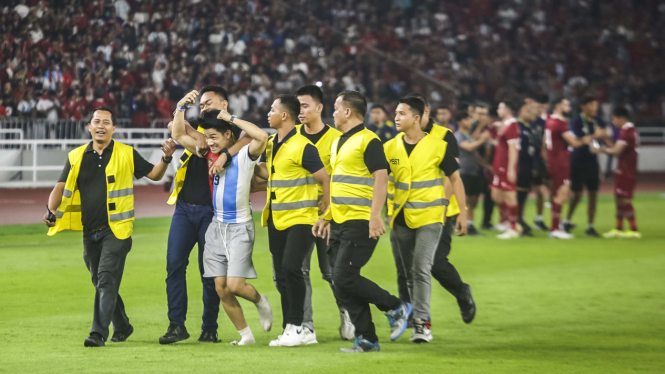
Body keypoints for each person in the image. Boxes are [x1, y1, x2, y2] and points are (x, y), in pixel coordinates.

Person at [44, 107, 176, 347]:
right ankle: (123, 326)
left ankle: (98, 334)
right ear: (89, 127)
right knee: (101, 281)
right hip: (89, 232)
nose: (101, 125)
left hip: (117, 230)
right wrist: (51, 209)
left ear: (114, 128)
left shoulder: (126, 153)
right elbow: (61, 185)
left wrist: (166, 159)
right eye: (97, 121)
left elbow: (155, 175)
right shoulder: (76, 156)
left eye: (106, 122)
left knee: (105, 280)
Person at [312, 90, 410, 353]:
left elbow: (381, 178)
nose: (332, 112)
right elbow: (339, 183)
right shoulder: (338, 142)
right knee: (341, 281)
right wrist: (327, 215)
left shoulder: (370, 140)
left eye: (335, 107)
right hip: (340, 222)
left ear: (347, 112)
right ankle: (367, 339)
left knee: (343, 277)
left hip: (362, 220)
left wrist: (376, 216)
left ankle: (396, 306)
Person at [172, 96, 274, 345]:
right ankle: (245, 336)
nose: (209, 142)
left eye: (214, 137)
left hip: (240, 226)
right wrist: (180, 108)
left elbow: (260, 136)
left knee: (236, 285)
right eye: (207, 137)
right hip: (216, 227)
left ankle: (261, 302)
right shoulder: (207, 153)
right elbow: (177, 134)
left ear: (228, 135)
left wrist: (230, 118)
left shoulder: (245, 156)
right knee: (221, 287)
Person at [161, 85, 247, 345]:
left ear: (225, 105)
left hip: (214, 213)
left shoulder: (234, 136)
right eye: (202, 104)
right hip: (185, 209)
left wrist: (225, 154)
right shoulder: (202, 136)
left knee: (209, 274)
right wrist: (181, 109)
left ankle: (210, 328)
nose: (204, 106)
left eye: (209, 102)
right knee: (174, 266)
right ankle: (177, 326)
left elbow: (251, 138)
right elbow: (174, 129)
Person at [385, 96, 467, 343]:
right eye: (396, 113)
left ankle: (422, 323)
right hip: (401, 219)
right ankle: (417, 321)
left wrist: (462, 212)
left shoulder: (438, 145)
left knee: (421, 268)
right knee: (409, 273)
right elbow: (385, 183)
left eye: (402, 113)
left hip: (431, 218)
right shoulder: (389, 147)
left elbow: (455, 179)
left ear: (417, 118)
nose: (396, 117)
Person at [255, 95, 331, 347]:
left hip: (302, 218)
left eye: (272, 109)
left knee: (291, 268)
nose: (268, 113)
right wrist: (249, 166)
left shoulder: (304, 146)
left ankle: (300, 327)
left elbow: (324, 178)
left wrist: (326, 207)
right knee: (282, 275)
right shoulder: (271, 143)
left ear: (284, 115)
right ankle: (291, 327)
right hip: (276, 218)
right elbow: (269, 172)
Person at [294, 85, 354, 341]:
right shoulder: (291, 136)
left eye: (305, 105)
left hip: (330, 217)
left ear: (320, 108)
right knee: (301, 271)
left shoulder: (337, 139)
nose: (300, 111)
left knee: (332, 272)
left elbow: (339, 178)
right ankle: (306, 324)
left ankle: (348, 313)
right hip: (298, 216)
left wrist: (329, 209)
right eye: (297, 106)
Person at [543, 98, 591, 239]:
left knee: (557, 194)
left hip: (553, 161)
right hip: (561, 162)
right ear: (558, 106)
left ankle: (556, 226)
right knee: (562, 194)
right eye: (566, 104)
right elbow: (574, 143)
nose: (569, 107)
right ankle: (555, 228)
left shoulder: (549, 121)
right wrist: (587, 139)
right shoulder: (559, 123)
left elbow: (545, 143)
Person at [563, 94, 609, 237]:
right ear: (584, 106)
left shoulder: (598, 120)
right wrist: (595, 136)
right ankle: (567, 220)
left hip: (592, 162)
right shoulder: (576, 121)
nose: (595, 108)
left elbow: (606, 134)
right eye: (592, 105)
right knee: (576, 194)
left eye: (596, 105)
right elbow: (575, 139)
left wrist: (602, 136)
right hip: (577, 161)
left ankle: (590, 226)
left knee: (593, 194)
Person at [595, 107, 640, 239]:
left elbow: (616, 151)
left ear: (620, 118)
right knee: (619, 198)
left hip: (628, 170)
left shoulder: (628, 131)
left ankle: (633, 229)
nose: (613, 121)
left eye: (614, 118)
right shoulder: (625, 130)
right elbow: (616, 148)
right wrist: (606, 140)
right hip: (622, 168)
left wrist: (599, 150)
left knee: (625, 198)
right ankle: (619, 228)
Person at [491, 95, 523, 239]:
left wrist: (511, 168)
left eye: (500, 107)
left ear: (507, 110)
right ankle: (507, 221)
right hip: (499, 167)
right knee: (496, 195)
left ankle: (513, 227)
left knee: (510, 196)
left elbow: (513, 148)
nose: (498, 110)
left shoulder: (512, 125)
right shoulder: (504, 124)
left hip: (506, 167)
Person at [455, 112, 491, 235]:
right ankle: (461, 224)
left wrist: (485, 165)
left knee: (473, 199)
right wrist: (483, 139)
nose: (470, 122)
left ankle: (470, 224)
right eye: (467, 120)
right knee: (465, 200)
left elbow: (474, 152)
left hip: (473, 171)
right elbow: (469, 147)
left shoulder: (468, 135)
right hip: (463, 170)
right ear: (460, 122)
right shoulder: (458, 135)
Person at [515, 97, 541, 237]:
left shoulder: (529, 127)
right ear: (521, 111)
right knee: (517, 195)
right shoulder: (516, 126)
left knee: (523, 195)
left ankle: (520, 219)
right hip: (519, 165)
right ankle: (515, 221)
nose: (532, 113)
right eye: (528, 110)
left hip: (528, 166)